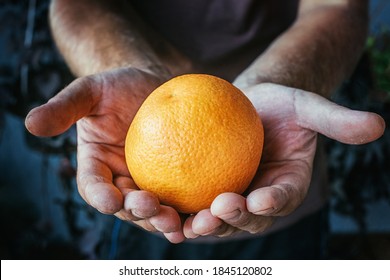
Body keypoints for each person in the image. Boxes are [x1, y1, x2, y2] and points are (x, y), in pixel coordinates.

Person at [25, 0, 385, 259]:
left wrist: (274, 81)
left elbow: (336, 6)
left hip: (280, 164)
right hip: (136, 192)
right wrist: (125, 66)